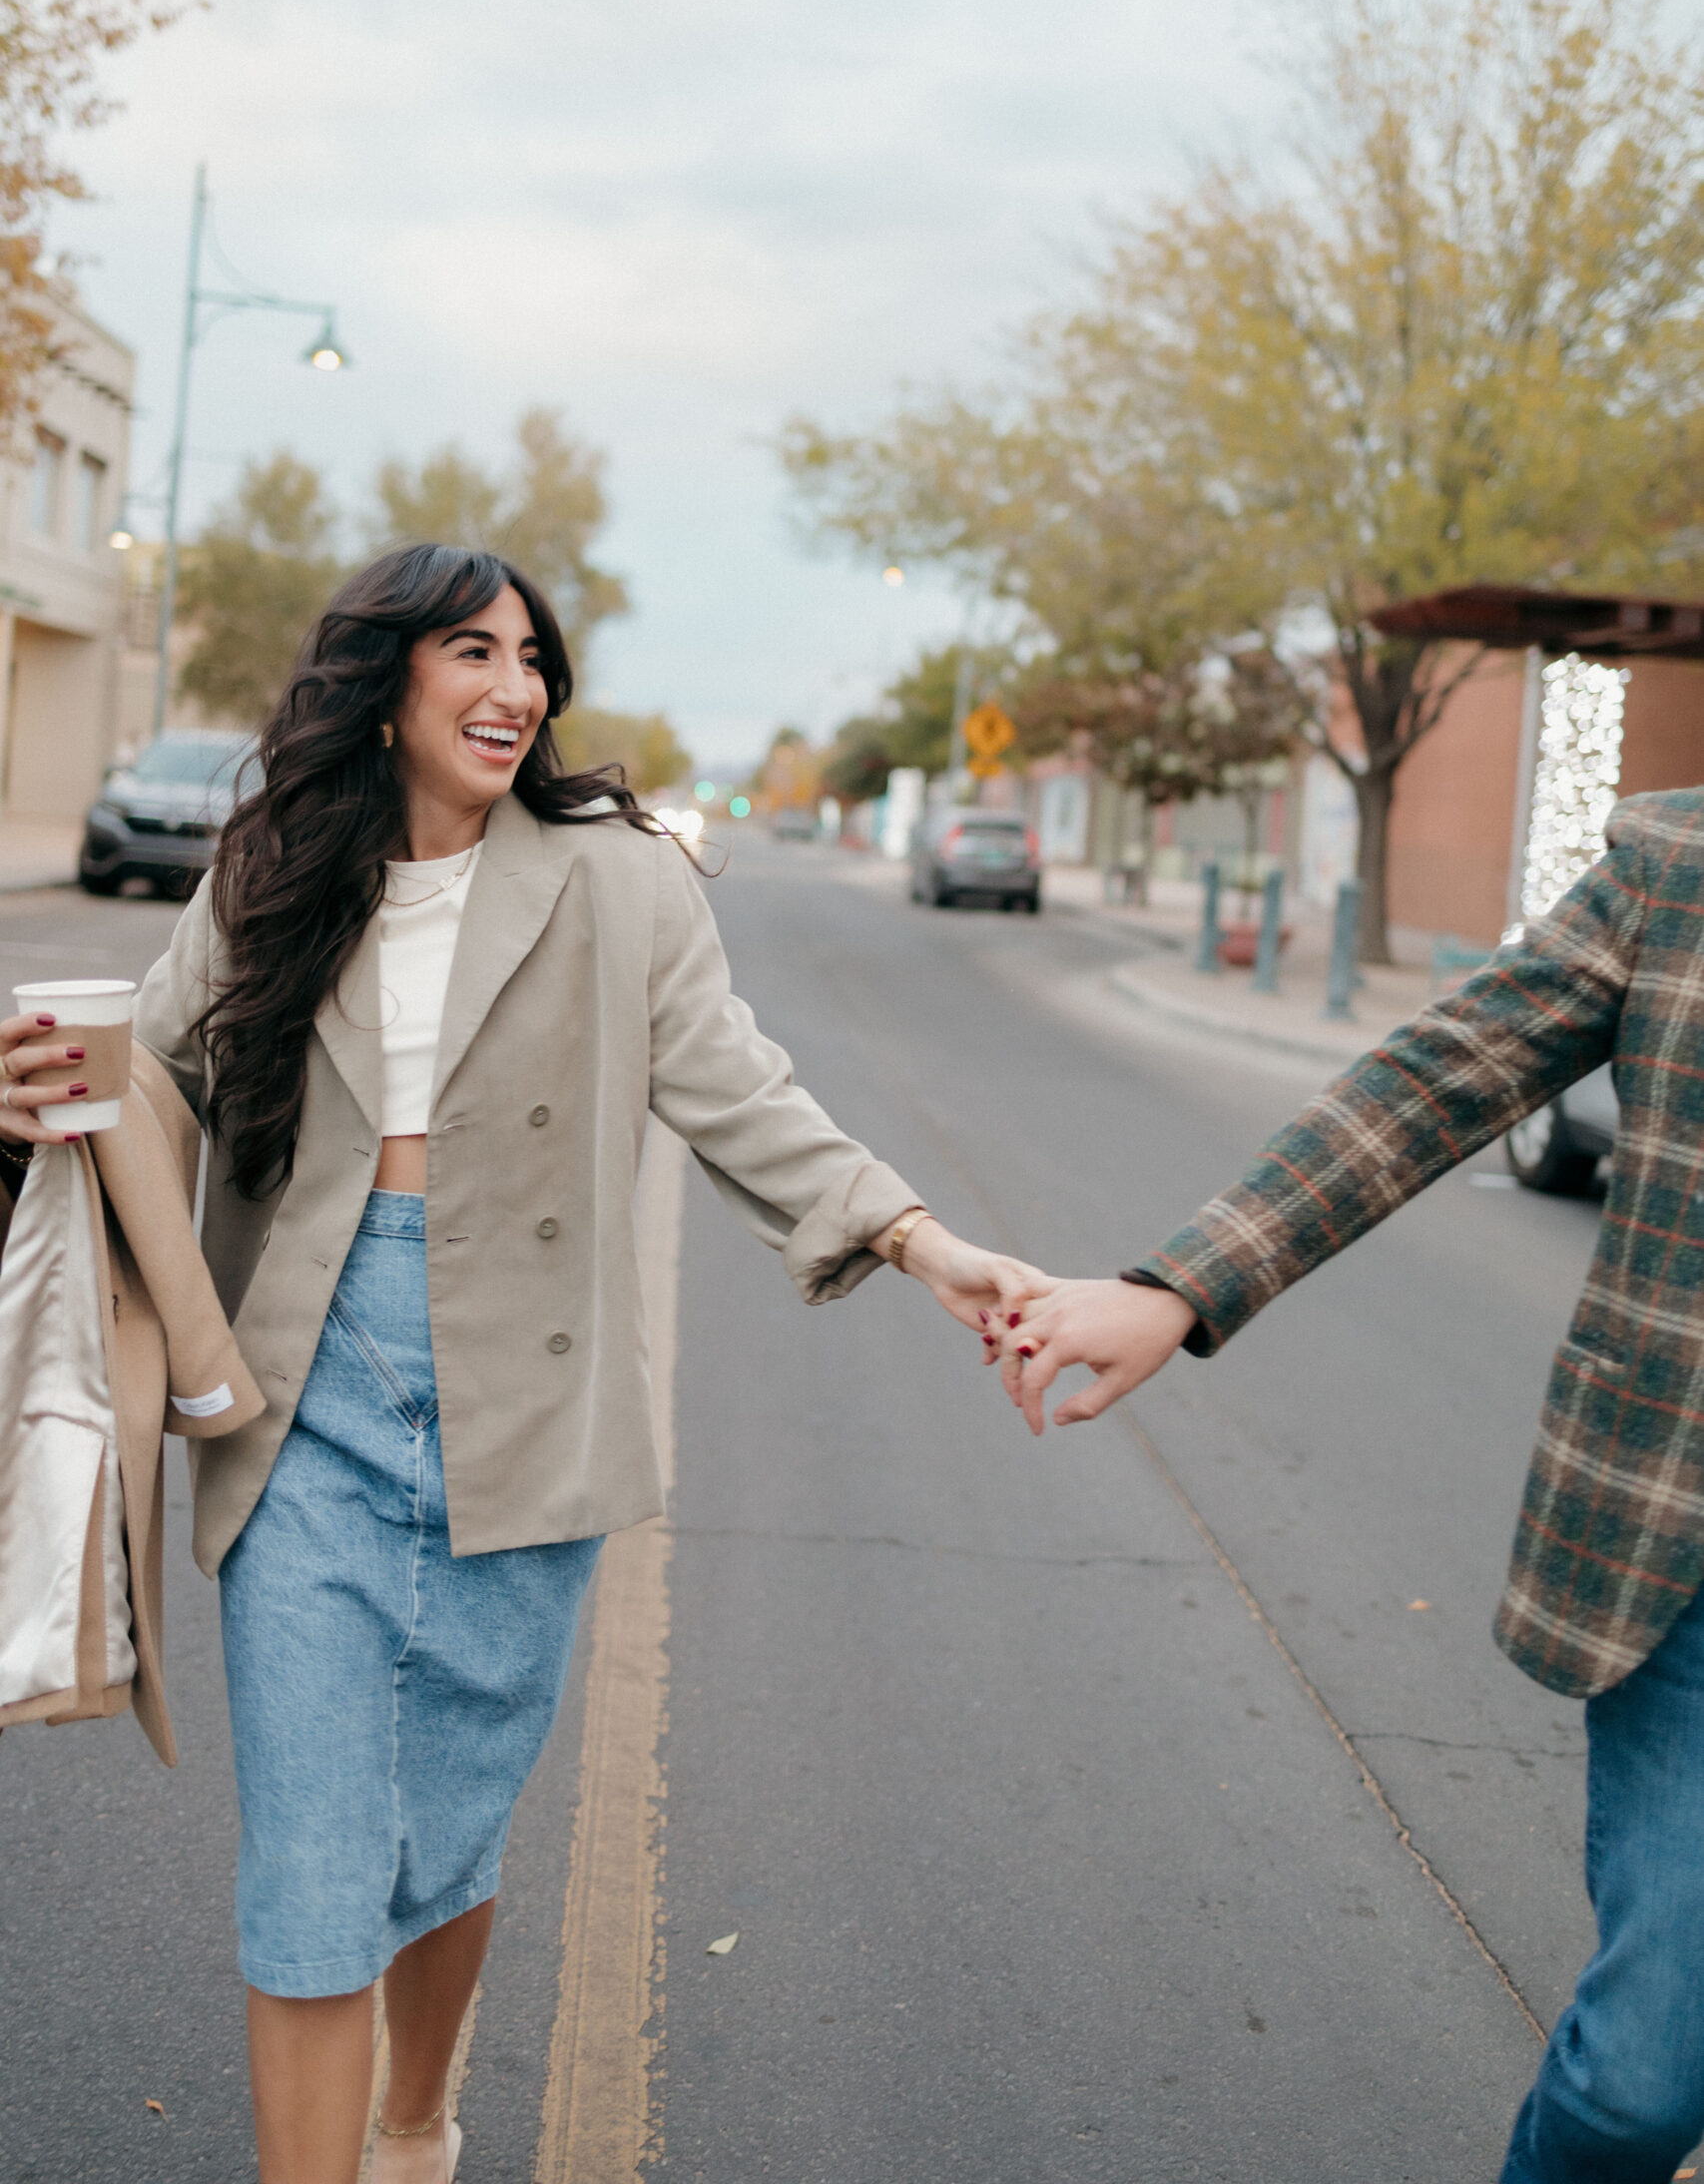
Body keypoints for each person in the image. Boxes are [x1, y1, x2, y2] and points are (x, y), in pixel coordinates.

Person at [0, 543, 1046, 2184]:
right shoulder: (271, 870)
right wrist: (44, 1092)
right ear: (384, 680)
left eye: (533, 658)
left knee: (447, 1833)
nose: (516, 689)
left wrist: (922, 1239)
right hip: (303, 1401)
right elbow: (160, 1076)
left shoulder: (613, 875)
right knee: (314, 1866)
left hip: (526, 1401)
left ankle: (418, 2118)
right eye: (473, 653)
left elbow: (735, 1086)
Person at [985, 787, 1704, 2184]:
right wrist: (1183, 1285)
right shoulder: (1681, 866)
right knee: (1637, 2087)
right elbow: (1439, 1075)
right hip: (1685, 1557)